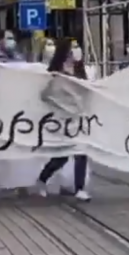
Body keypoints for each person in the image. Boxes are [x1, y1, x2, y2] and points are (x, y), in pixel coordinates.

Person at [36, 38, 92, 201]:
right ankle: (42, 179)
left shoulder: (80, 71)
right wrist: (60, 106)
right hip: (63, 121)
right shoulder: (57, 73)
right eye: (73, 47)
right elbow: (45, 95)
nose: (76, 49)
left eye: (77, 46)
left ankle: (80, 188)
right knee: (62, 156)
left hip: (78, 120)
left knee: (81, 153)